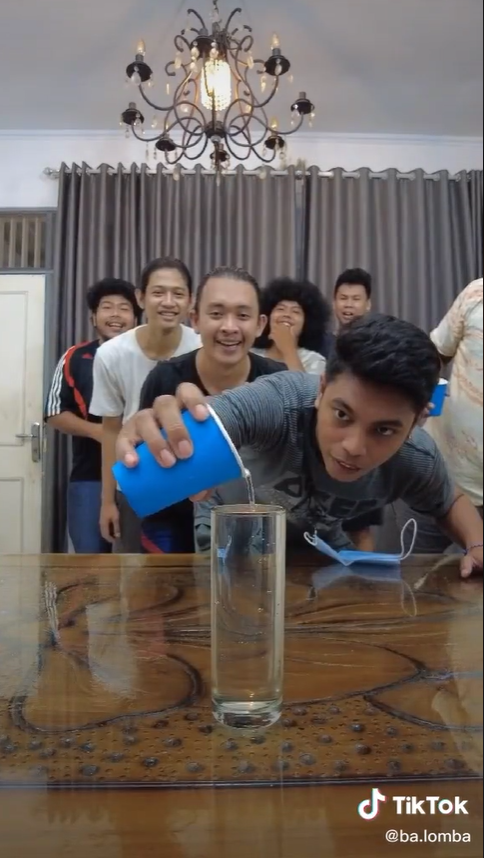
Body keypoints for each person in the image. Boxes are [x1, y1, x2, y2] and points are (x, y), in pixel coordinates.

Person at [116, 314, 483, 579]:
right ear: (321, 389)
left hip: (320, 545)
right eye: (342, 414)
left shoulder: (416, 456)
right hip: (232, 535)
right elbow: (217, 416)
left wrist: (477, 545)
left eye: (384, 430)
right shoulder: (279, 402)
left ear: (418, 420)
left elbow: (448, 500)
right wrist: (159, 431)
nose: (354, 447)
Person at [137, 265, 285, 552]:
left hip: (253, 530)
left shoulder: (277, 381)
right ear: (195, 319)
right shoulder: (163, 379)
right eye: (216, 314)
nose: (229, 326)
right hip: (171, 525)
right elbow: (147, 472)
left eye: (242, 315)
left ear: (260, 325)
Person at [90, 257, 200, 552]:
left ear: (191, 301)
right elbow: (110, 430)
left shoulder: (202, 347)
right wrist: (108, 501)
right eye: (158, 292)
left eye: (178, 293)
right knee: (134, 572)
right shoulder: (111, 354)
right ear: (140, 298)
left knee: (198, 572)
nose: (168, 302)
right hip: (135, 479)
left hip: (194, 481)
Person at [45, 277, 140, 553]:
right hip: (89, 476)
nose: (115, 315)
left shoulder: (148, 357)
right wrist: (101, 433)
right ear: (93, 317)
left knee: (139, 563)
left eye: (124, 308)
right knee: (90, 562)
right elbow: (54, 412)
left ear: (136, 318)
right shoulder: (75, 356)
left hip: (141, 473)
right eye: (107, 307)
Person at [396, 278, 483, 550]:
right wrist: (417, 401)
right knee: (415, 568)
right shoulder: (476, 294)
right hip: (437, 477)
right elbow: (434, 354)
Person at [252, 277, 329, 375]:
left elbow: (303, 385)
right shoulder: (251, 354)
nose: (287, 314)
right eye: (280, 309)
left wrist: (288, 349)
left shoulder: (314, 361)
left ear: (307, 322)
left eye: (295, 311)